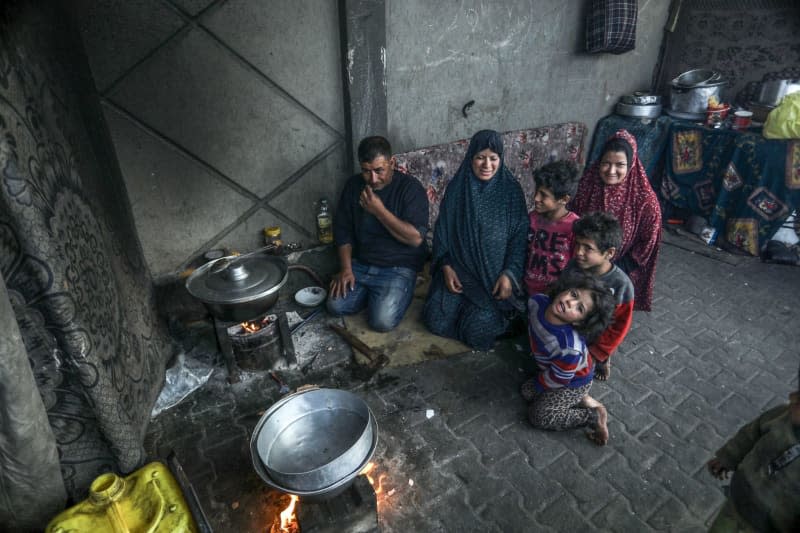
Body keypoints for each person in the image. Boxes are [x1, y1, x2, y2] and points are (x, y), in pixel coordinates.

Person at [423, 130, 528, 350]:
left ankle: (492, 317)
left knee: (476, 332)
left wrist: (509, 275)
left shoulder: (511, 192)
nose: (486, 164)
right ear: (471, 157)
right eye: (480, 157)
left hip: (493, 279)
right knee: (435, 321)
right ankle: (467, 310)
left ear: (501, 159)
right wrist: (445, 266)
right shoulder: (457, 189)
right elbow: (442, 233)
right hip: (459, 272)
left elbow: (519, 239)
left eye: (493, 158)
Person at [327, 136, 429, 332]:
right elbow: (343, 232)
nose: (373, 179)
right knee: (335, 306)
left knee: (382, 321)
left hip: (398, 267)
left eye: (379, 170)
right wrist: (346, 269)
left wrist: (379, 210)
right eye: (366, 171)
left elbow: (416, 239)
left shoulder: (410, 188)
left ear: (392, 163)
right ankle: (374, 294)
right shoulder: (353, 186)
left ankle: (401, 288)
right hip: (361, 264)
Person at [521, 270, 616, 445]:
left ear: (580, 322)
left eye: (579, 308)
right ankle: (584, 400)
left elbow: (559, 378)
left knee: (538, 415)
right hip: (554, 371)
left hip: (572, 381)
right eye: (573, 294)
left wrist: (540, 384)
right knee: (526, 392)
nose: (569, 302)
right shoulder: (537, 302)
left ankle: (592, 415)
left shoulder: (570, 348)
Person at [571, 129, 661, 311]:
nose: (611, 171)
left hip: (619, 269)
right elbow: (573, 219)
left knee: (603, 314)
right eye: (606, 163)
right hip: (581, 260)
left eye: (620, 165)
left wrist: (612, 270)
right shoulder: (588, 185)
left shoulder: (645, 201)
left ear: (631, 164)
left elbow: (648, 242)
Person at [706, 363, 800, 532]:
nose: (792, 397)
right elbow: (749, 435)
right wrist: (727, 457)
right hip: (736, 504)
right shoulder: (782, 416)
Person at [566, 212, 634, 381]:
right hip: (572, 331)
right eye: (578, 244)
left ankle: (603, 360)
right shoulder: (573, 266)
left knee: (586, 369)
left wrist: (598, 353)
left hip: (597, 338)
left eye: (588, 248)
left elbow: (619, 326)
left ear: (609, 253)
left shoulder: (621, 285)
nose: (578, 252)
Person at [523, 160, 581, 296]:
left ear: (564, 199)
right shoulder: (532, 217)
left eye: (544, 195)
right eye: (537, 191)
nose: (536, 198)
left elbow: (577, 266)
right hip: (524, 290)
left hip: (553, 296)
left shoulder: (575, 227)